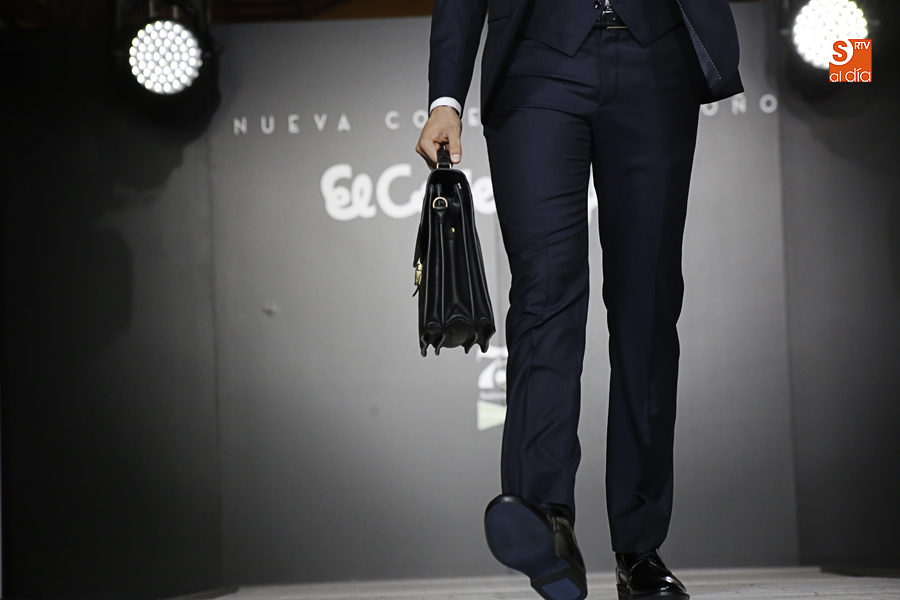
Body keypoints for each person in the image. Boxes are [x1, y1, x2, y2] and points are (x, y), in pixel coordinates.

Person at [416, 0, 743, 599]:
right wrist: (445, 100)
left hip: (655, 59)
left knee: (647, 305)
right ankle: (544, 517)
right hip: (535, 64)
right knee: (544, 291)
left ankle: (639, 550)